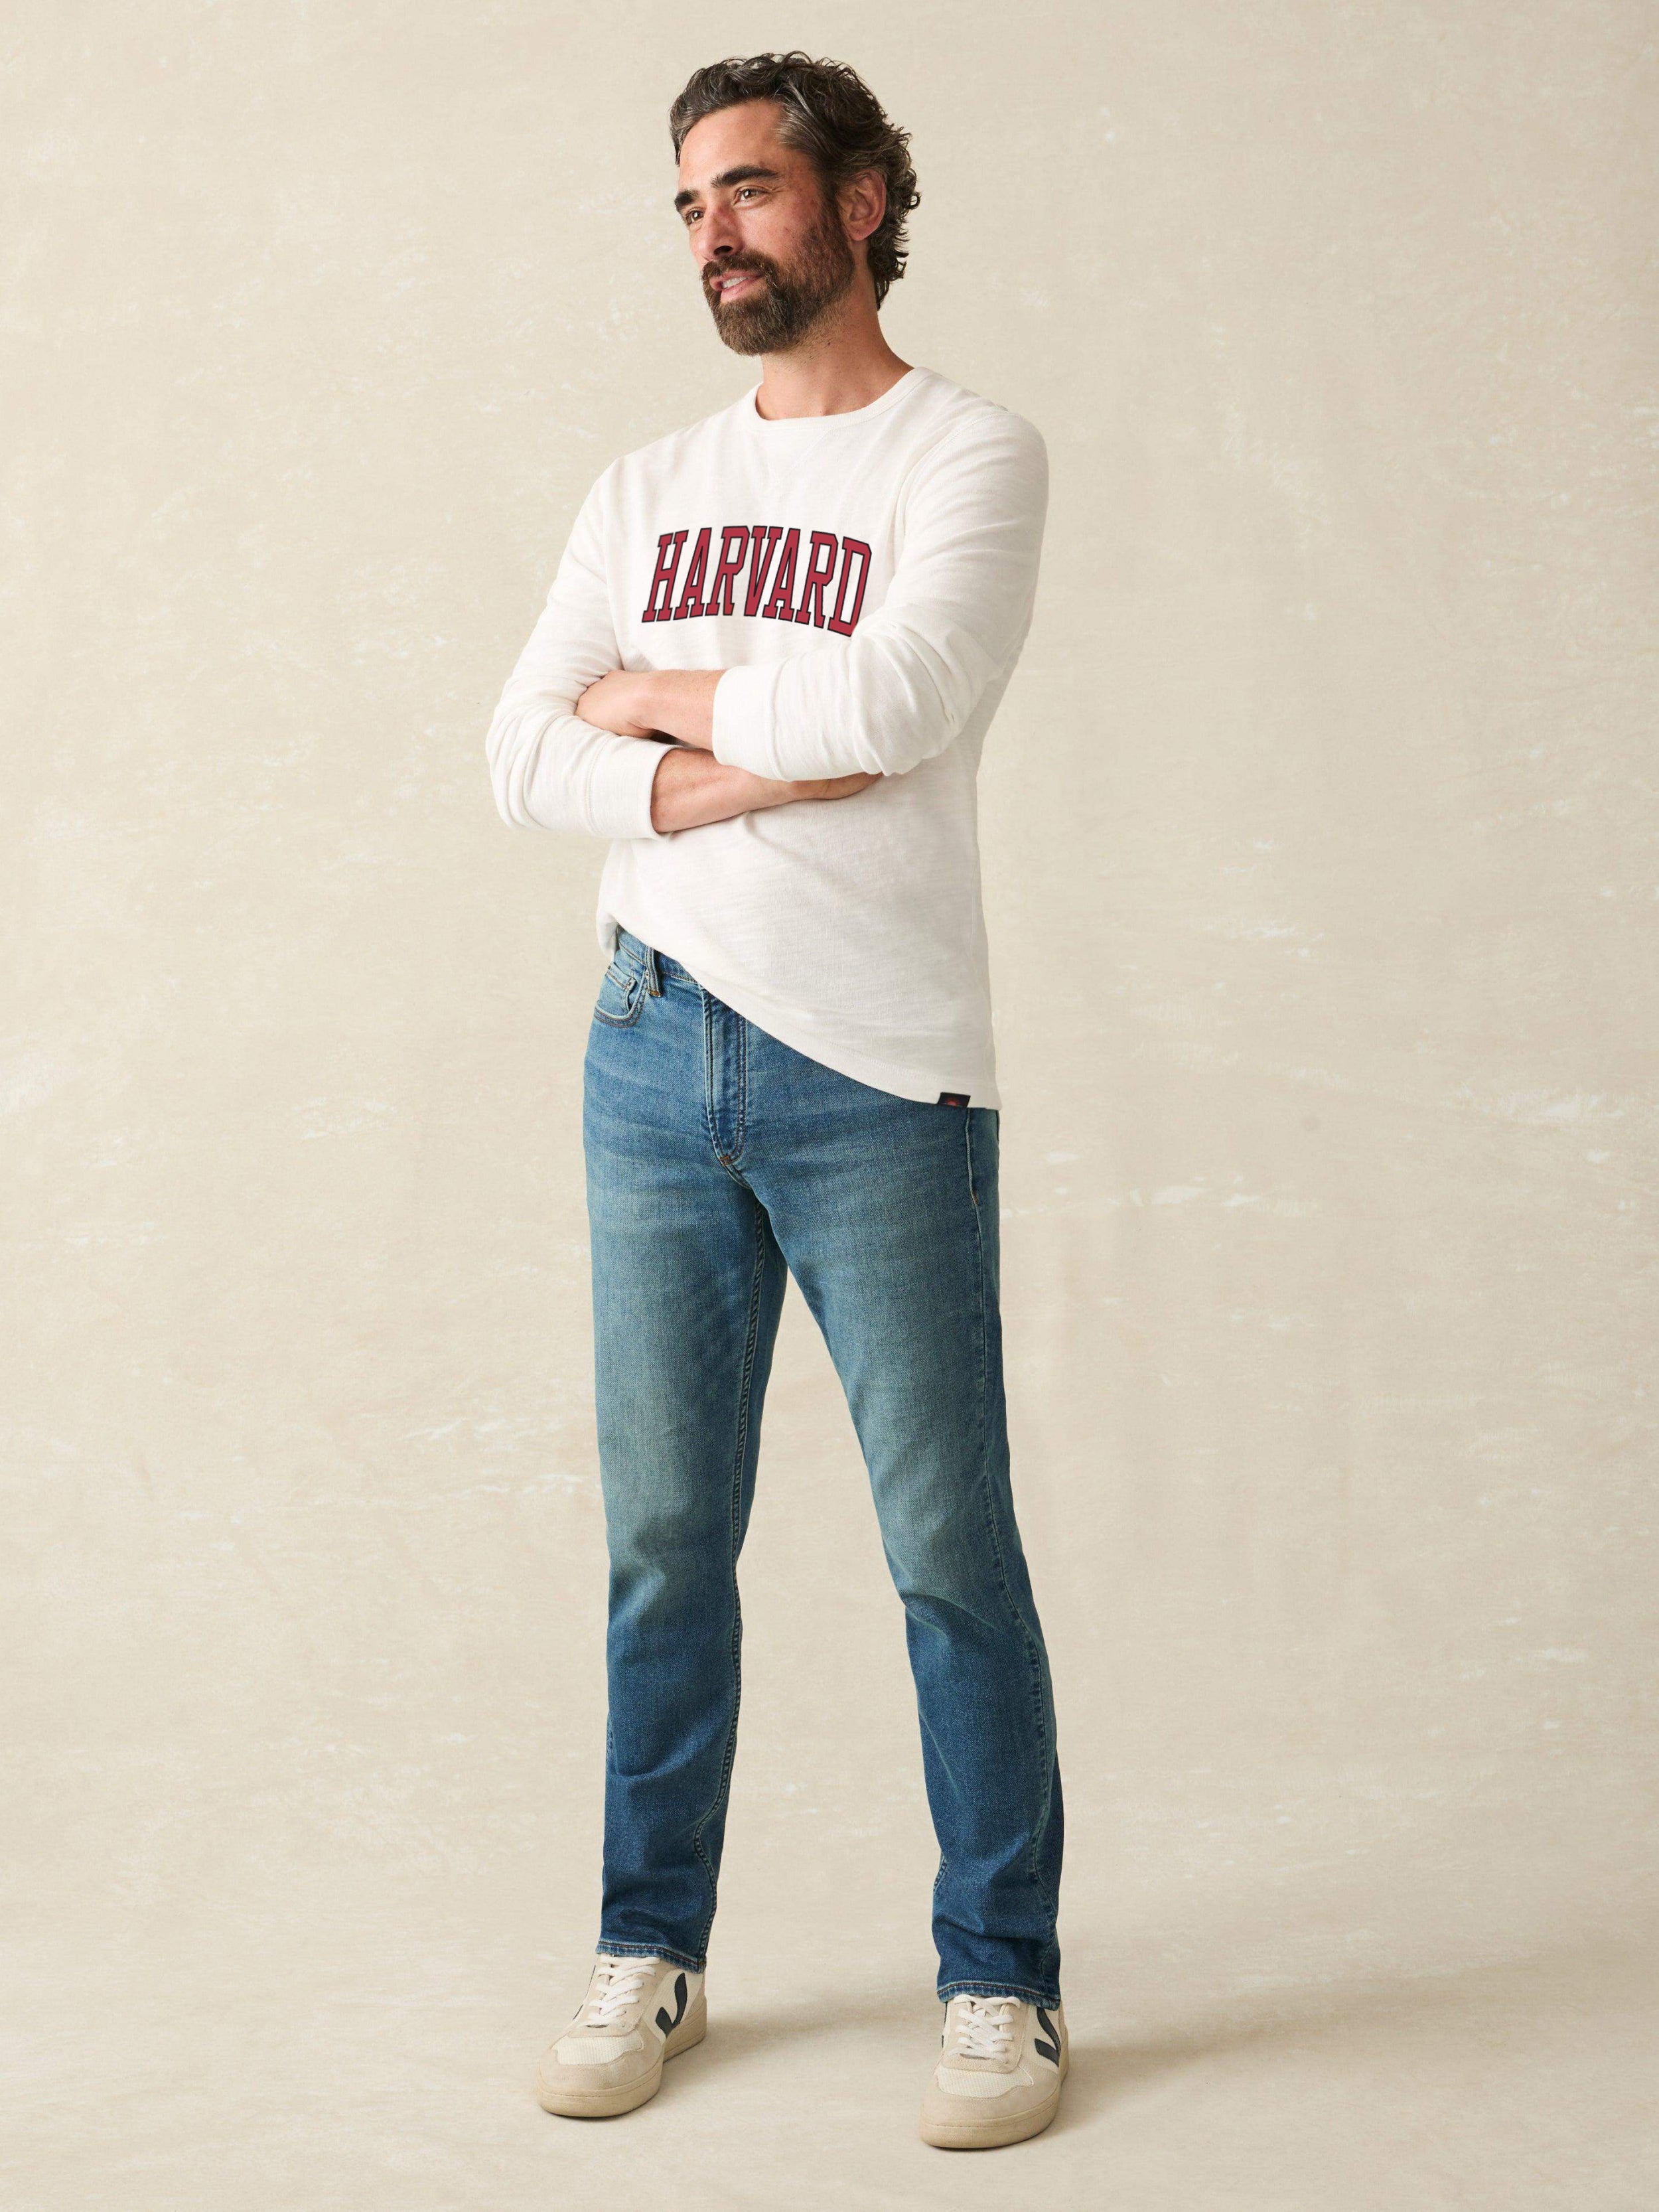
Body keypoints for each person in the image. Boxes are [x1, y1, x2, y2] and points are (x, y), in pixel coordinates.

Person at [484, 49, 1066, 2151]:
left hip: (877, 1074)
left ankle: (999, 1980)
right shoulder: (642, 482)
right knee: (662, 1542)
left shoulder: (965, 453)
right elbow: (518, 751)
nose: (714, 232)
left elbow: (905, 696)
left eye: (747, 191)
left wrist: (644, 701)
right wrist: (728, 751)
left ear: (864, 198)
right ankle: (653, 1948)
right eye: (689, 206)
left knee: (943, 1549)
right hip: (648, 1048)